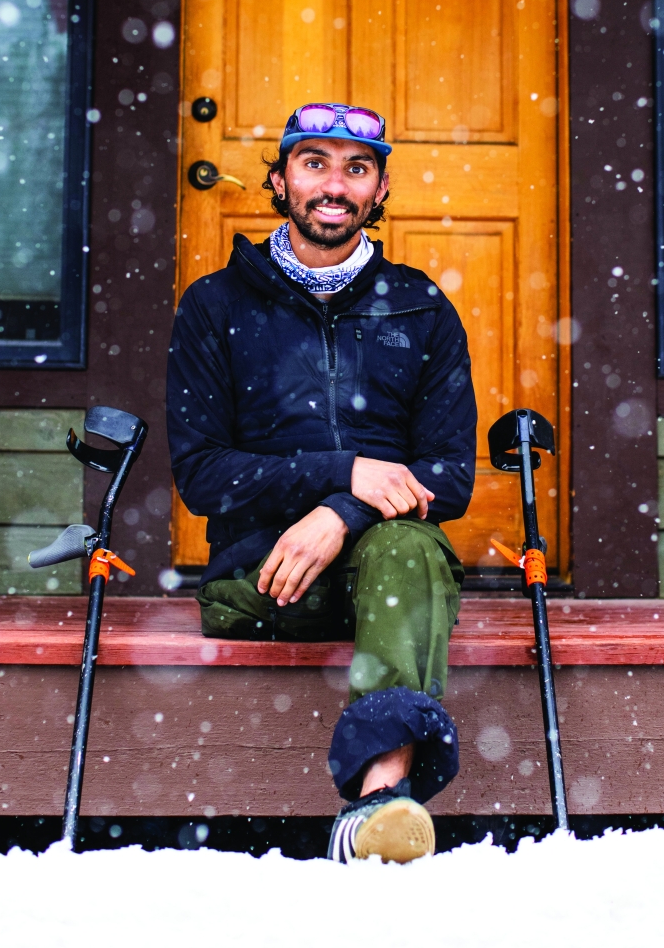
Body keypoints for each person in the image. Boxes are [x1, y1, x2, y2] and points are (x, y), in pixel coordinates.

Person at [167, 101, 476, 862]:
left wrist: (338, 511)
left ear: (380, 191)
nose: (334, 184)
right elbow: (202, 474)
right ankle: (383, 801)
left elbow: (452, 473)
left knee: (407, 547)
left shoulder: (421, 307)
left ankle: (378, 804)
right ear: (279, 180)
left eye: (356, 168)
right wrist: (344, 471)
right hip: (265, 581)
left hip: (388, 576)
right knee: (402, 545)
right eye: (315, 163)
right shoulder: (215, 306)